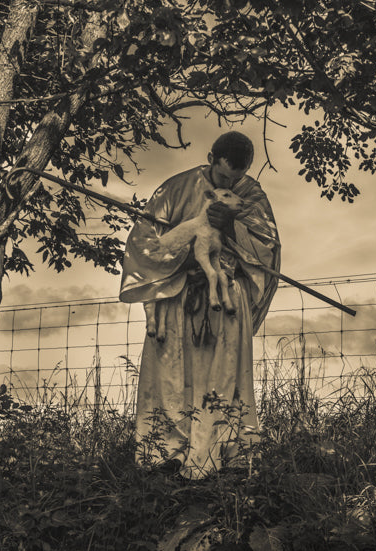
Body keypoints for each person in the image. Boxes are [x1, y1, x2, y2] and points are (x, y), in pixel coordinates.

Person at [120, 133, 280, 479]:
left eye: (237, 178)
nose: (232, 184)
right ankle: (164, 453)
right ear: (211, 157)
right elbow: (143, 241)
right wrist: (182, 258)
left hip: (226, 299)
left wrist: (233, 228)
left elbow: (267, 248)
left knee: (223, 373)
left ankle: (227, 452)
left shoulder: (251, 196)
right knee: (170, 374)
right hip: (177, 297)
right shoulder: (175, 189)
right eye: (224, 178)